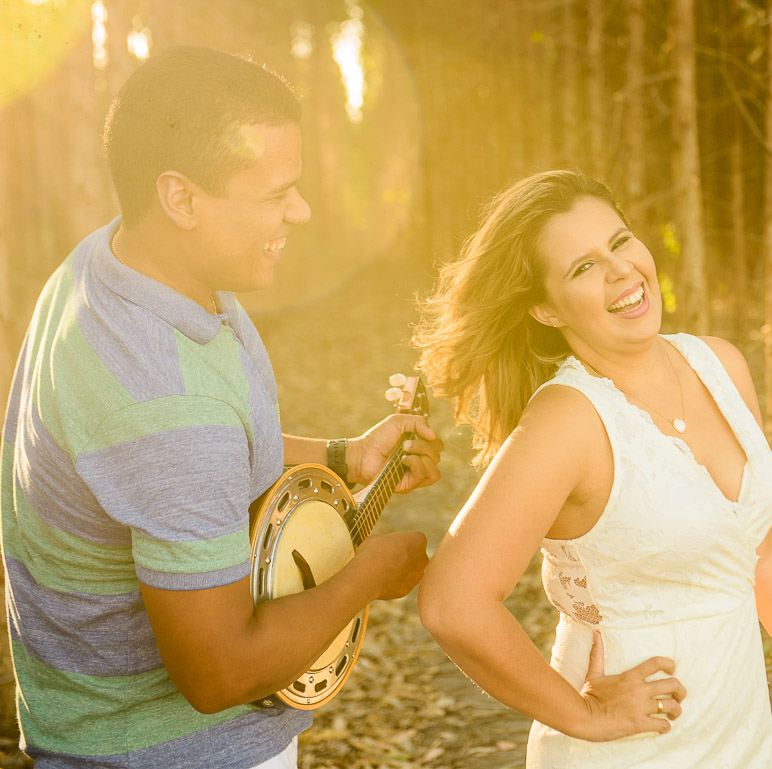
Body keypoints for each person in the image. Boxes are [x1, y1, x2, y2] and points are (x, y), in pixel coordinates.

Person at [0, 45, 442, 769]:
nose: (299, 211)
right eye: (275, 193)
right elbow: (221, 672)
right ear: (182, 198)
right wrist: (371, 571)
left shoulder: (114, 263)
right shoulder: (161, 402)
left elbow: (196, 451)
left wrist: (343, 456)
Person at [412, 170, 772, 768]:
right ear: (543, 309)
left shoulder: (719, 364)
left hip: (740, 737)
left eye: (619, 241)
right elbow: (453, 603)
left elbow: (760, 550)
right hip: (630, 752)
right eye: (583, 267)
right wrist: (583, 714)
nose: (621, 271)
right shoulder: (568, 420)